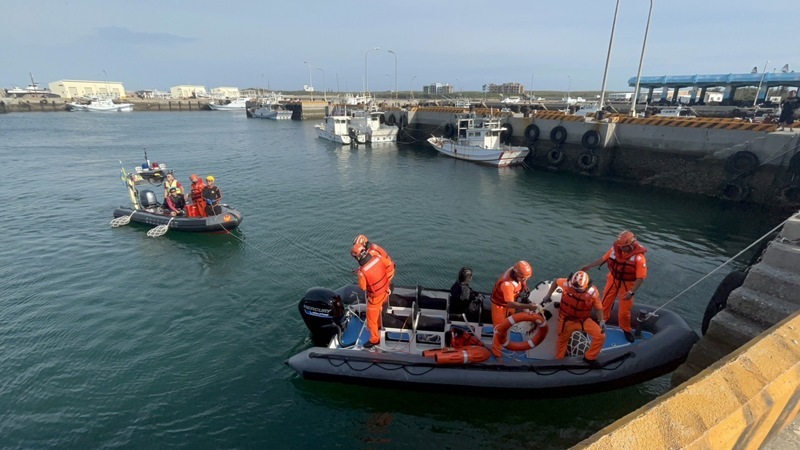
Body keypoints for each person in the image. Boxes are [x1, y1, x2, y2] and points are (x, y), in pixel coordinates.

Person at [581, 230, 647, 343]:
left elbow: (640, 278)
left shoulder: (639, 258)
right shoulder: (614, 250)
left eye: (624, 247)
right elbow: (603, 259)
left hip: (627, 285)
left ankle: (626, 329)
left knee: (624, 312)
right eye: (620, 246)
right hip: (613, 280)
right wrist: (589, 266)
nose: (621, 249)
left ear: (631, 245)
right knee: (604, 304)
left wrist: (631, 292)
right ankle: (601, 322)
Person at [542, 271, 606, 368]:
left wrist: (601, 321)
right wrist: (549, 294)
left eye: (579, 289)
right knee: (562, 341)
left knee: (600, 336)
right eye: (574, 288)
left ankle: (590, 357)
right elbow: (556, 281)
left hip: (583, 320)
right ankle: (559, 360)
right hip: (567, 320)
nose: (576, 290)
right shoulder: (567, 284)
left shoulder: (592, 292)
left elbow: (598, 307)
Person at [352, 242, 391, 350]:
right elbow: (387, 264)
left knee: (371, 319)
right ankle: (378, 326)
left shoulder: (362, 272)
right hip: (385, 290)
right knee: (378, 311)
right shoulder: (377, 258)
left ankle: (374, 339)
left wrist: (359, 274)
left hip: (375, 297)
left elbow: (363, 287)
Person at [489, 260, 541, 327]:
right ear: (516, 274)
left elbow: (522, 279)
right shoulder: (507, 285)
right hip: (500, 306)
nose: (525, 280)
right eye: (523, 279)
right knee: (500, 327)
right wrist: (529, 306)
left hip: (511, 301)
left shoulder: (516, 272)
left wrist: (524, 286)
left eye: (526, 279)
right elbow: (510, 304)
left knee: (510, 321)